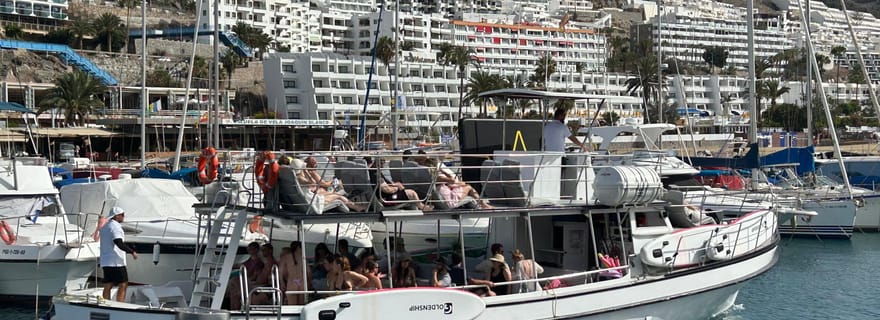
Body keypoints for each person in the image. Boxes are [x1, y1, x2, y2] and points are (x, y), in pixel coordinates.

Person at [364, 157, 432, 211]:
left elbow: (385, 185)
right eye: (382, 163)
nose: (383, 166)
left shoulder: (372, 172)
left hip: (385, 196)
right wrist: (397, 187)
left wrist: (395, 184)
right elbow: (387, 189)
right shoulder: (376, 174)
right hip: (386, 200)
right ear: (378, 163)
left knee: (407, 191)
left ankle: (420, 206)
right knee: (412, 193)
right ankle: (423, 208)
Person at [99, 207, 138, 302]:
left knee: (108, 284)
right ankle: (120, 304)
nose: (124, 217)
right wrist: (131, 251)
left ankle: (105, 304)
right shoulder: (115, 227)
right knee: (123, 283)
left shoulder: (105, 227)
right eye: (122, 215)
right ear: (117, 216)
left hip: (106, 261)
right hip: (116, 261)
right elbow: (118, 242)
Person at [228, 242, 266, 310]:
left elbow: (255, 276)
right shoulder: (250, 260)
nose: (249, 250)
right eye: (249, 249)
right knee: (234, 288)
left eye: (251, 249)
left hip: (250, 281)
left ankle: (240, 300)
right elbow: (242, 264)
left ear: (256, 250)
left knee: (234, 282)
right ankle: (234, 309)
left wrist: (246, 279)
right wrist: (229, 265)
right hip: (245, 280)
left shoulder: (259, 262)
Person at [280, 241, 309, 305]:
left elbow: (281, 271)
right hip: (301, 282)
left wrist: (282, 282)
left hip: (292, 282)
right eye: (301, 248)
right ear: (298, 248)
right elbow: (308, 272)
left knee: (292, 306)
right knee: (301, 306)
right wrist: (309, 282)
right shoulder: (303, 258)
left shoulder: (285, 257)